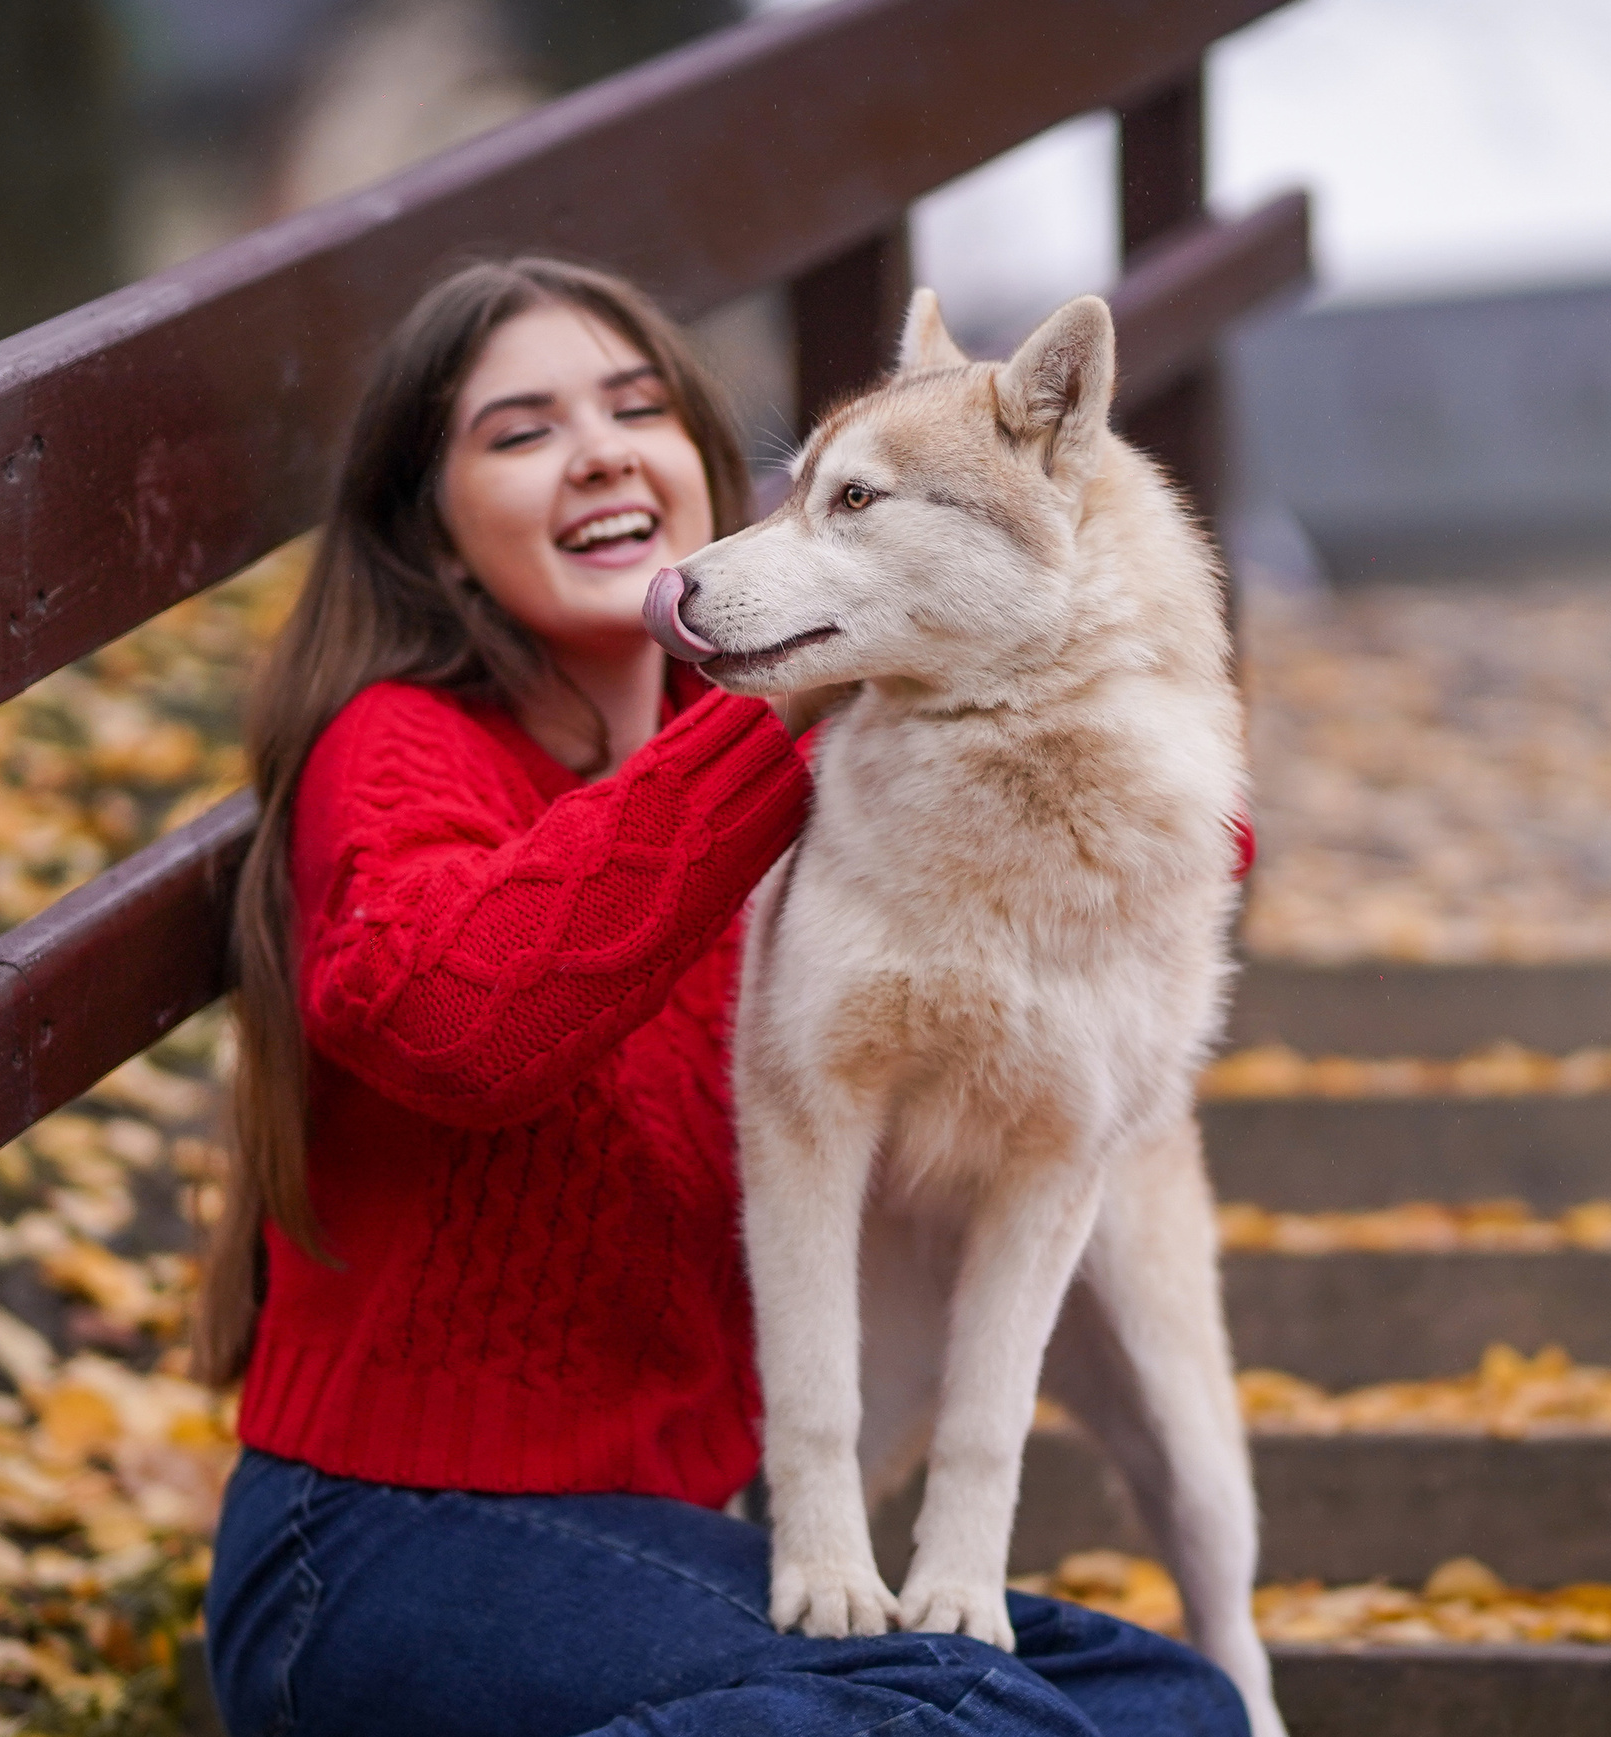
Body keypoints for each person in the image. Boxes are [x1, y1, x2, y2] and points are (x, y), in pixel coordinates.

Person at [193, 256, 1252, 1737]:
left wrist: (1111, 793)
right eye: (521, 431)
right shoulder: (404, 749)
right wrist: (780, 729)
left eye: (638, 407)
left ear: (706, 468)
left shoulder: (827, 742)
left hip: (662, 1540)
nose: (601, 449)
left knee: (1170, 1702)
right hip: (377, 1542)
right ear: (433, 529)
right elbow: (464, 1023)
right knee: (929, 1725)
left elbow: (1109, 829)